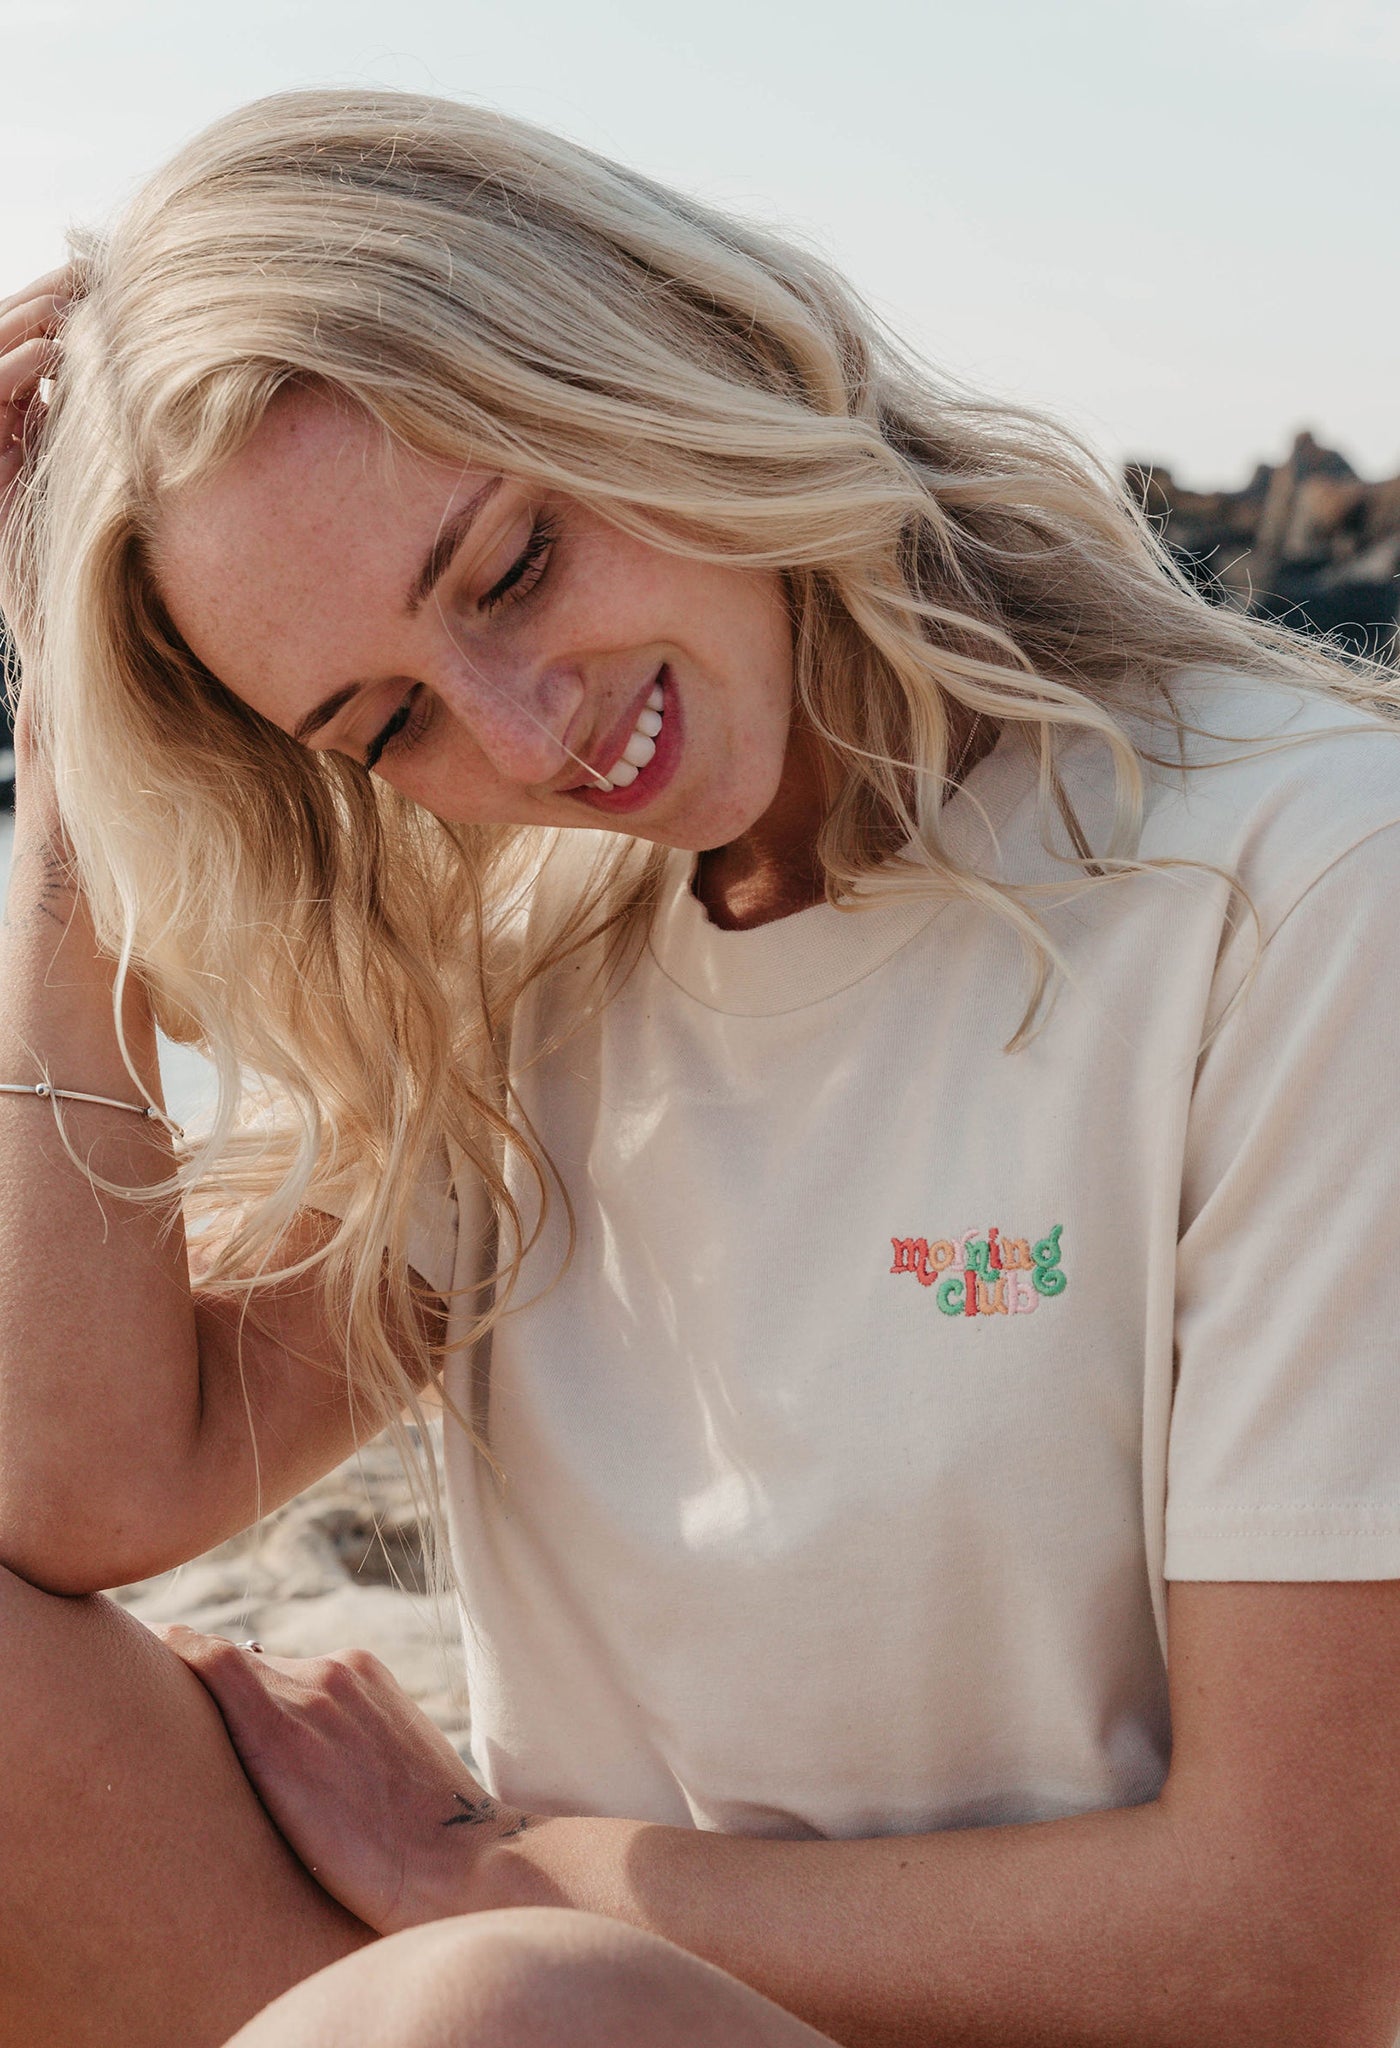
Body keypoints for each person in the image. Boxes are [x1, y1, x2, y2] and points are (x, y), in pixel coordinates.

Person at [0, 88, 1397, 2048]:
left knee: (478, 2013)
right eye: (384, 720)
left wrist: (514, 1881)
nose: (525, 730)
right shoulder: (532, 948)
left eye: (509, 569)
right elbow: (84, 1486)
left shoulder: (1305, 881)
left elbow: (1299, 1944)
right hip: (535, 2008)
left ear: (651, 352)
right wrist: (71, 775)